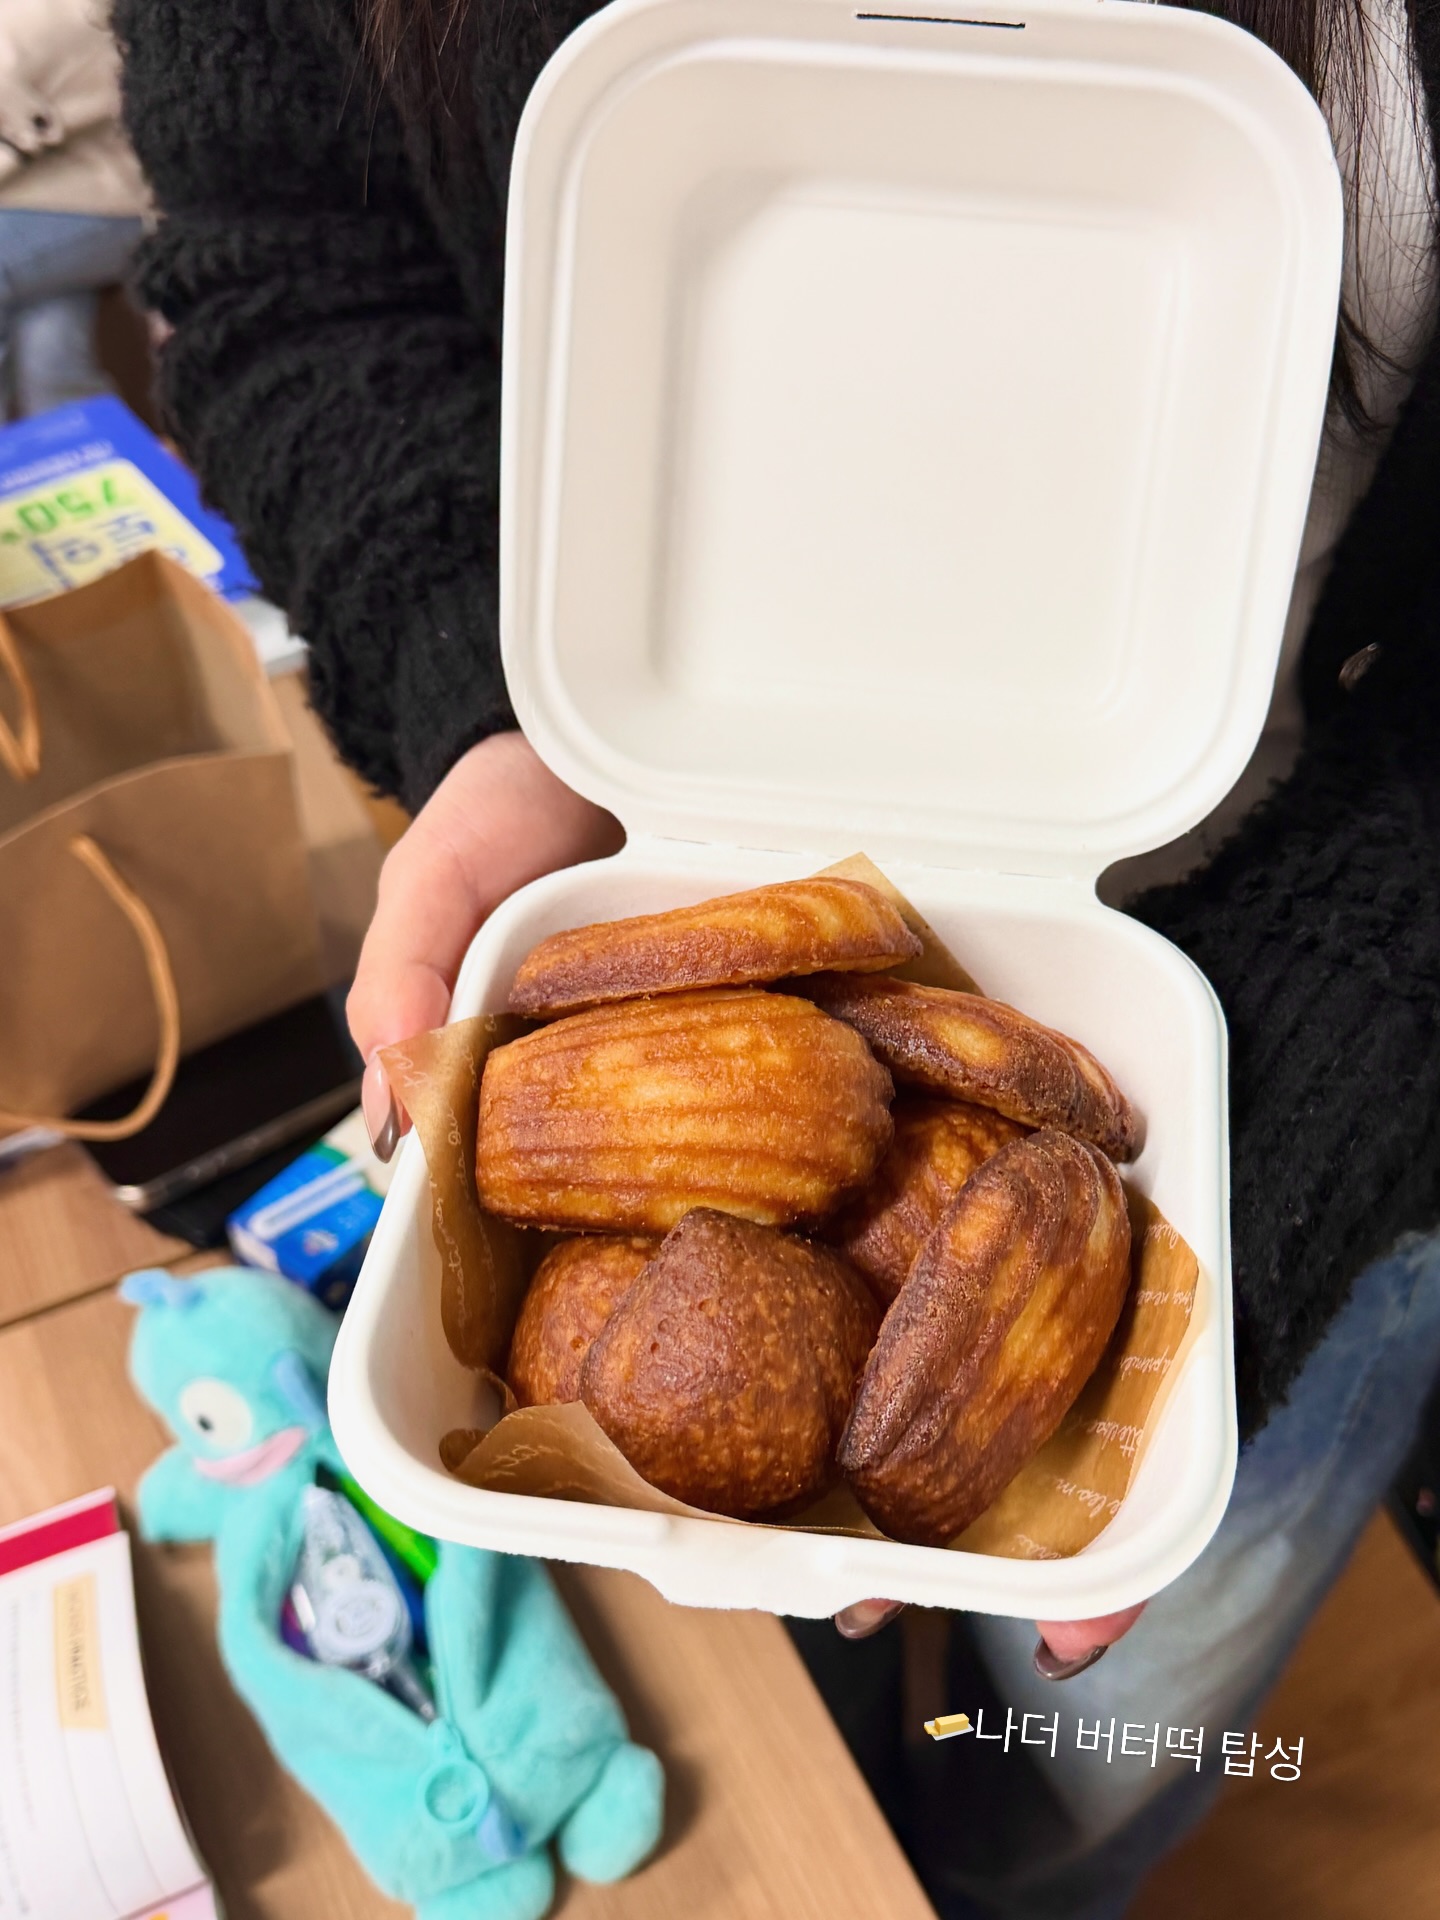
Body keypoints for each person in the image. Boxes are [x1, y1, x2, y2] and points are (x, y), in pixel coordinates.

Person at [115, 0, 1440, 1911]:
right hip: (689, 876)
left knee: (1088, 1756)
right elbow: (289, 270)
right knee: (796, 1721)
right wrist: (499, 701)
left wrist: (1340, 1049)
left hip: (1352, 1061)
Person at [0, 0, 149, 415]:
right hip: (62, 193)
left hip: (111, 198)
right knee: (48, 348)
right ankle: (89, 446)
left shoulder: (32, 20)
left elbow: (21, 125)